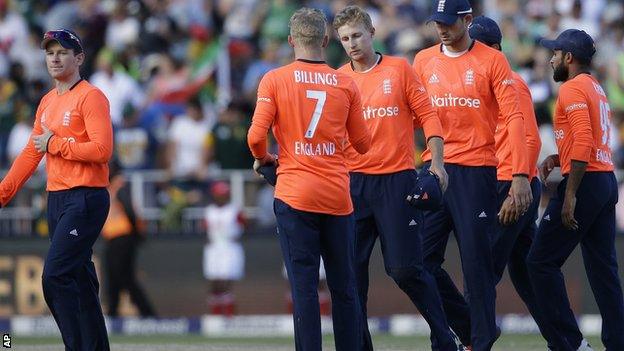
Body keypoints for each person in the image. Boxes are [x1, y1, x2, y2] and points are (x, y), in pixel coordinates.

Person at [332, 6, 457, 351]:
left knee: (405, 270)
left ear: (372, 32)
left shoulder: (400, 69)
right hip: (352, 184)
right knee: (351, 277)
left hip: (396, 182)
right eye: (345, 39)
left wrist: (438, 164)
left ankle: (445, 339)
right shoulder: (339, 79)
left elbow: (429, 116)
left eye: (357, 35)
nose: (352, 44)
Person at [247, 7, 371, 351]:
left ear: (291, 41)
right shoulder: (345, 83)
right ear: (327, 40)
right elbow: (362, 144)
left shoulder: (274, 79)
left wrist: (264, 159)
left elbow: (255, 137)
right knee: (344, 288)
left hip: (295, 195)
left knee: (304, 289)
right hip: (336, 196)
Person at [412, 1, 533, 350]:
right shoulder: (423, 60)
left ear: (468, 20)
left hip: (476, 170)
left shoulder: (493, 61)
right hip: (435, 169)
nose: (442, 29)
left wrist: (520, 175)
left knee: (477, 265)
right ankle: (464, 328)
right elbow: (411, 114)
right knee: (419, 263)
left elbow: (514, 120)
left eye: (450, 22)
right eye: (438, 22)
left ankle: (479, 343)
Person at [433, 15, 553, 349]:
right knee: (529, 276)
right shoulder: (465, 76)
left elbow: (529, 138)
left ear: (497, 49)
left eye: (483, 46)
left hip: (505, 183)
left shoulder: (509, 80)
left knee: (480, 270)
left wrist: (521, 183)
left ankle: (474, 339)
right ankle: (566, 341)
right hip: (503, 179)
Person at [0, 29, 112, 350]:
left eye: (62, 52)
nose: (54, 58)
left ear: (79, 58)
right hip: (58, 198)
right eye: (50, 53)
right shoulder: (48, 102)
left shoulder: (91, 97)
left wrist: (56, 144)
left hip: (86, 197)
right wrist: (3, 193)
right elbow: (31, 153)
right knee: (79, 279)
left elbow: (102, 150)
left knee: (55, 276)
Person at [527, 28, 624, 351]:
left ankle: (571, 343)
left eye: (555, 53)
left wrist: (569, 196)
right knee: (603, 271)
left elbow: (583, 141)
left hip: (585, 183)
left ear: (568, 58)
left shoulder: (571, 89)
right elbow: (589, 139)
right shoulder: (595, 87)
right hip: (604, 180)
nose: (551, 58)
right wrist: (559, 156)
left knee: (539, 263)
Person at [102, 158, 156, 318]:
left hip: (123, 236)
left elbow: (128, 209)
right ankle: (117, 311)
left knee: (120, 276)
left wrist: (136, 234)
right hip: (116, 237)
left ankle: (144, 313)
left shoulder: (120, 184)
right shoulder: (113, 186)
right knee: (120, 276)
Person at [203, 181, 245, 316]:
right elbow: (205, 229)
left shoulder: (234, 210)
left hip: (229, 246)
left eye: (224, 194)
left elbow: (245, 225)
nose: (222, 197)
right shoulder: (209, 211)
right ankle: (215, 315)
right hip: (214, 247)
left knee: (226, 281)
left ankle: (228, 315)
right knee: (214, 281)